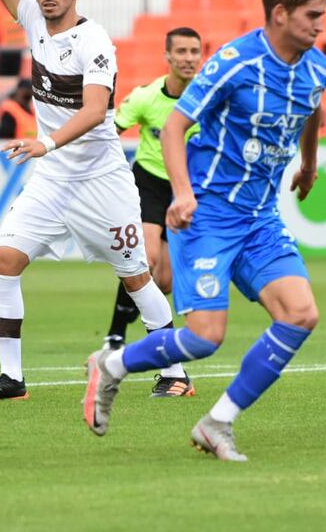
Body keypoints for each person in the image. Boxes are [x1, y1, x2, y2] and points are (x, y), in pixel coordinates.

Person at [82, 0, 326, 461]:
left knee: (301, 315)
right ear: (280, 14)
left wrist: (308, 165)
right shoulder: (234, 63)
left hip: (260, 217)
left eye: (322, 16)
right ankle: (113, 364)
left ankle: (218, 423)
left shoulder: (317, 66)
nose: (319, 26)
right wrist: (182, 193)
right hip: (209, 215)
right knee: (204, 338)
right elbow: (174, 126)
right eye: (312, 16)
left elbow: (313, 106)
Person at [0, 0, 177, 402]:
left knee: (135, 275)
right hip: (55, 178)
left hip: (101, 177)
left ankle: (175, 372)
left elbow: (93, 110)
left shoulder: (95, 42)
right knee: (3, 260)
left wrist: (46, 142)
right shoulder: (33, 21)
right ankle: (12, 379)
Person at [103, 26, 203, 398]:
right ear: (168, 56)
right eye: (182, 51)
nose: (189, 57)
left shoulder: (208, 98)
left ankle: (151, 349)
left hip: (187, 189)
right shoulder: (146, 97)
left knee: (163, 282)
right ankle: (116, 334)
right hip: (148, 183)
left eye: (195, 51)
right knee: (144, 257)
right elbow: (108, 129)